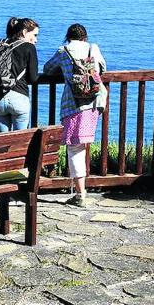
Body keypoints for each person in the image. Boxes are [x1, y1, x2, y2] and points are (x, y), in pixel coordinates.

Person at [43, 23, 107, 207]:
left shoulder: (63, 51)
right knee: (82, 146)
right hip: (93, 104)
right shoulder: (92, 48)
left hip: (72, 106)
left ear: (68, 36)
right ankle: (80, 191)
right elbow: (102, 67)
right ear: (84, 36)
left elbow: (48, 69)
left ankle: (80, 194)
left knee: (74, 149)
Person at [0, 17, 40, 132]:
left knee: (2, 142)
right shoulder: (29, 47)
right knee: (21, 141)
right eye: (34, 35)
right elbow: (33, 78)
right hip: (18, 98)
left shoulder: (1, 44)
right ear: (24, 32)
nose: (36, 39)